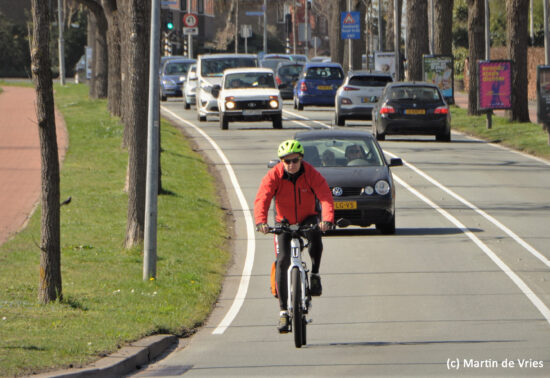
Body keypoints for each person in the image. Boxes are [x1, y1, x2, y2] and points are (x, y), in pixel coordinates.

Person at [254, 140, 334, 333]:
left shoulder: (311, 173)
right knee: (282, 260)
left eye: (295, 160)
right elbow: (263, 198)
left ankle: (314, 274)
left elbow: (325, 196)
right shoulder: (274, 175)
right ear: (281, 161)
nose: (291, 165)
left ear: (301, 159)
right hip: (284, 221)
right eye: (286, 161)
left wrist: (327, 219)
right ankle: (283, 312)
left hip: (307, 218)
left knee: (316, 237)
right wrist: (261, 222)